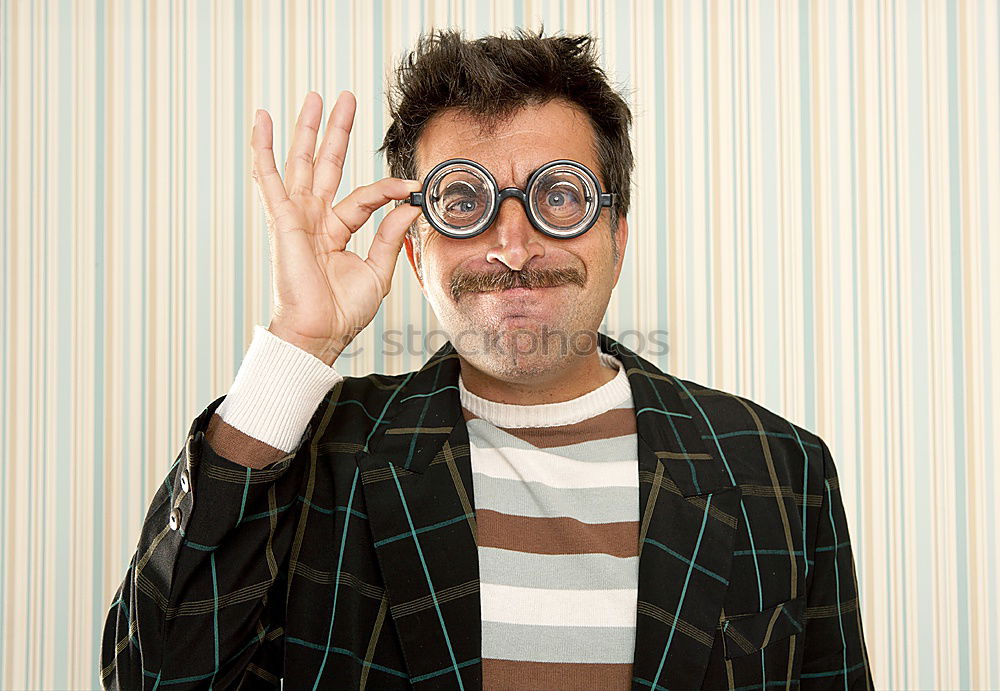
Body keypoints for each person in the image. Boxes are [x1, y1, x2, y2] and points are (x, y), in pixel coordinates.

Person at [100, 28, 873, 691]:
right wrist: (298, 345)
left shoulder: (781, 469)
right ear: (413, 248)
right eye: (464, 202)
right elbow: (155, 674)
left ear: (619, 236)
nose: (513, 246)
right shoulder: (314, 454)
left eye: (560, 196)